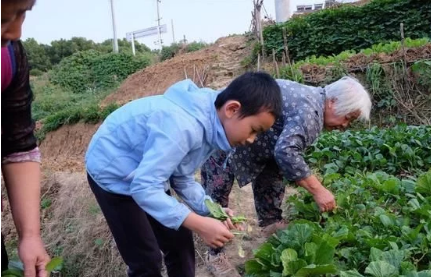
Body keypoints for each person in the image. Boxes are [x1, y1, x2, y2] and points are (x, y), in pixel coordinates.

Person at [84, 71, 283, 277]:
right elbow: (144, 188)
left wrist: (212, 210)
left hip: (147, 175)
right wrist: (200, 224)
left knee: (179, 243)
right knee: (146, 260)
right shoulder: (183, 126)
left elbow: (181, 176)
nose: (251, 139)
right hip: (113, 173)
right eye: (253, 130)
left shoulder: (210, 124)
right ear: (232, 109)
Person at [201, 76, 372, 276]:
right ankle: (215, 254)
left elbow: (281, 153)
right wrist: (318, 190)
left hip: (258, 141)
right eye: (348, 117)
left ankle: (271, 224)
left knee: (273, 172)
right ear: (333, 102)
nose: (345, 125)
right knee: (217, 193)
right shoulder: (311, 110)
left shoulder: (313, 101)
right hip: (227, 130)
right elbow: (286, 152)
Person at [1, 1, 51, 276]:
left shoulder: (9, 57)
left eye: (23, 12)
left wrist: (29, 235)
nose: (16, 31)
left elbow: (18, 147)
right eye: (3, 19)